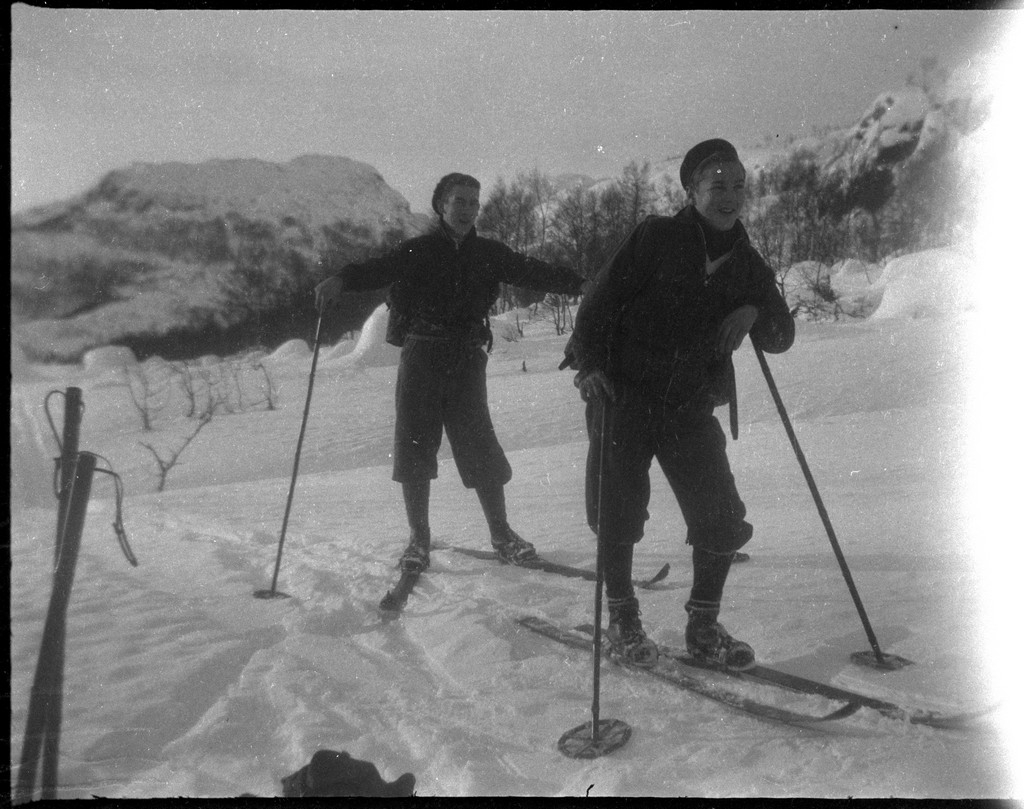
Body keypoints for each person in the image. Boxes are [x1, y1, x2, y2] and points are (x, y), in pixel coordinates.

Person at [565, 139, 795, 669]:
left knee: (720, 516)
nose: (730, 196)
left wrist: (755, 311)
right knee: (617, 513)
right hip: (623, 394)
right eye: (718, 185)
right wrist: (591, 366)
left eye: (739, 185)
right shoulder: (656, 236)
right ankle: (622, 619)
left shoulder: (747, 263)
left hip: (689, 404)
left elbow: (782, 337)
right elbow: (597, 305)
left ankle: (703, 625)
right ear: (691, 190)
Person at [315, 173, 585, 575]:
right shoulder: (418, 250)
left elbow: (534, 272)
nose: (467, 210)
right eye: (459, 201)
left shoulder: (489, 253)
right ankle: (418, 539)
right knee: (414, 443)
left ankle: (502, 535)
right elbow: (378, 269)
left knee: (479, 444)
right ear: (441, 205)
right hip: (422, 353)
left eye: (474, 203)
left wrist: (583, 285)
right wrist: (341, 280)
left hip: (466, 358)